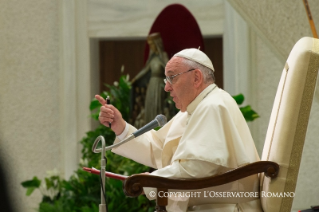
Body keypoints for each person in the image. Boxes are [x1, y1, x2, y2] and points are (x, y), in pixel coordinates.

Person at [95, 48, 262, 212]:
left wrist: (151, 181)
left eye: (172, 78)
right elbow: (159, 149)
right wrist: (120, 127)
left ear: (196, 77)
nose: (166, 88)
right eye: (165, 80)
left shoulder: (213, 106)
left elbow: (197, 167)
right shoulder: (194, 109)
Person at [131, 33, 169, 124]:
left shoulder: (163, 56)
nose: (151, 46)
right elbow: (145, 71)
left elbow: (168, 68)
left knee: (158, 105)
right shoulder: (152, 59)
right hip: (152, 85)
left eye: (152, 44)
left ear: (157, 43)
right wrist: (135, 79)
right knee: (150, 105)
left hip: (160, 84)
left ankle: (158, 126)